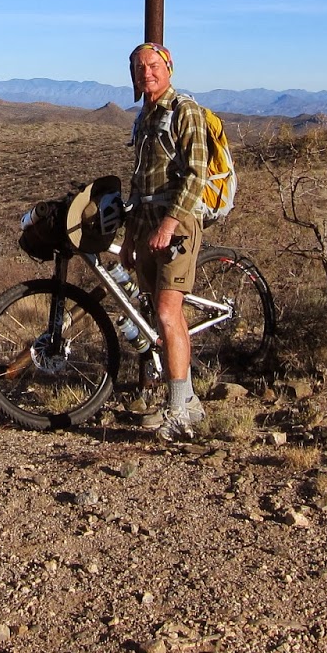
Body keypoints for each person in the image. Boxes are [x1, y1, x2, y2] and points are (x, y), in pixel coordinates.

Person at [122, 41, 209, 441]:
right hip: (144, 223)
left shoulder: (184, 110)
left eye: (153, 66)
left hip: (175, 226)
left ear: (168, 68)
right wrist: (129, 238)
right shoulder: (143, 116)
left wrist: (169, 224)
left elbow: (195, 175)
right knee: (155, 312)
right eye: (139, 68)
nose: (146, 73)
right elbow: (139, 182)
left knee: (168, 311)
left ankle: (179, 409)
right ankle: (186, 400)